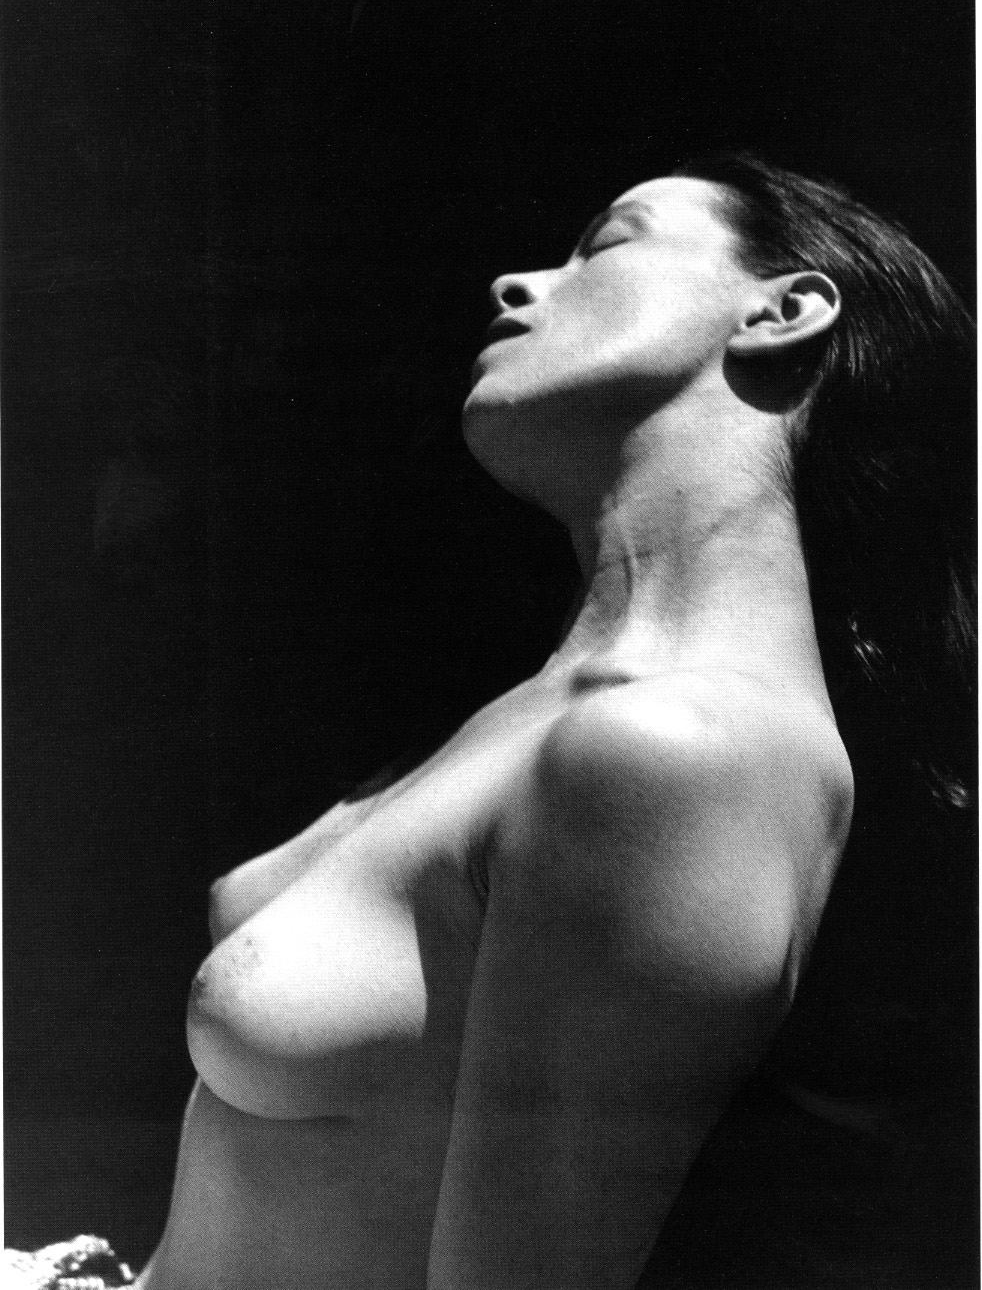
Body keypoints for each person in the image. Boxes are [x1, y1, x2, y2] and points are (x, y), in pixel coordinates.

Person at [9, 153, 973, 1289]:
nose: (518, 283)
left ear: (782, 310)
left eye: (605, 243)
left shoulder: (683, 749)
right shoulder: (551, 706)